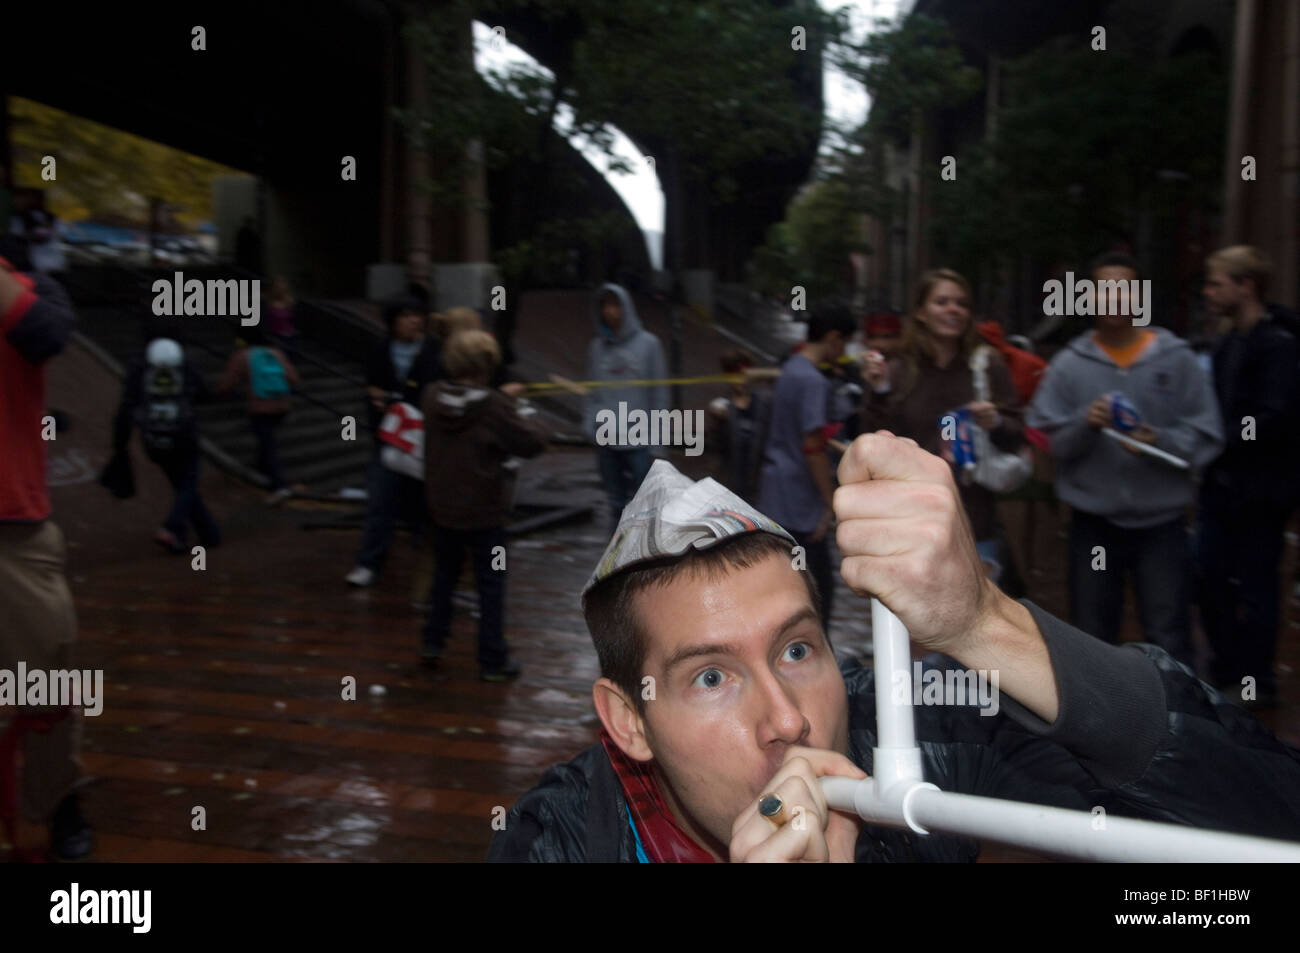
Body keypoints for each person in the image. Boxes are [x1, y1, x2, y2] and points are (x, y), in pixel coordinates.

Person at [486, 436, 1300, 862]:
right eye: (710, 675)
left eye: (798, 650)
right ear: (629, 721)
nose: (788, 720)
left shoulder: (912, 734)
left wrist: (985, 621)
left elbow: (1263, 823)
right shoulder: (560, 840)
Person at [1027, 252, 1223, 667]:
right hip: (1094, 524)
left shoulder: (1177, 358)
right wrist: (1085, 423)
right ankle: (1101, 725)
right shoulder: (1068, 366)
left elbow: (1208, 434)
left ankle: (1178, 723)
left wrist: (1160, 440)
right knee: (1093, 631)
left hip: (1163, 524)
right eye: (1103, 289)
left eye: (1125, 289)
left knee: (1168, 630)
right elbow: (1048, 442)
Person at [0, 255, 91, 860]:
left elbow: (47, 335)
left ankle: (61, 802)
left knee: (51, 680)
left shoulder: (34, 287)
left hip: (16, 530)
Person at [860, 270, 1028, 596]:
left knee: (979, 632)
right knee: (924, 638)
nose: (953, 309)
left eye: (961, 304)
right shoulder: (899, 370)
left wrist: (995, 422)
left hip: (975, 521)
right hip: (913, 524)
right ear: (921, 312)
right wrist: (878, 390)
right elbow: (876, 443)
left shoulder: (986, 365)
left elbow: (1016, 431)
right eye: (942, 302)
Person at [1198, 246, 1299, 708]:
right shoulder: (1227, 341)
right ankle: (1228, 670)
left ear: (1247, 286)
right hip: (1221, 486)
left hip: (1262, 491)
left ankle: (1255, 681)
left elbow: (1274, 415)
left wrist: (1222, 439)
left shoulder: (1278, 344)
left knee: (1256, 586)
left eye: (1217, 282)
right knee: (1208, 578)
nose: (1208, 291)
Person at [421, 330, 549, 681]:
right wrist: (520, 409)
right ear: (486, 366)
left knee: (444, 575)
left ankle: (433, 640)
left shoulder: (431, 397)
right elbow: (532, 443)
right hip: (484, 513)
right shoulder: (494, 406)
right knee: (491, 585)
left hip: (443, 509)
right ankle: (492, 659)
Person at [759, 301, 856, 629]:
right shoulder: (815, 381)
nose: (842, 352)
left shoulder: (791, 369)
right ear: (833, 338)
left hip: (776, 494)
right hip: (800, 501)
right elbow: (812, 446)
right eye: (844, 343)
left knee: (782, 591)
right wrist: (830, 503)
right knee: (817, 599)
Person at [345, 297, 442, 587]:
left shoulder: (434, 349)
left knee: (426, 503)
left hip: (425, 439)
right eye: (406, 316)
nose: (414, 321)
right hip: (389, 436)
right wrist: (376, 398)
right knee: (380, 498)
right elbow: (370, 385)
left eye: (417, 315)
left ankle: (432, 563)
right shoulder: (380, 349)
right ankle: (369, 561)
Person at [113, 337, 222, 551]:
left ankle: (206, 533)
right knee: (188, 482)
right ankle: (172, 528)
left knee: (182, 485)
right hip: (183, 435)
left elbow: (126, 407)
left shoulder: (140, 370)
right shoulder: (184, 368)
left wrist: (120, 444)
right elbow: (203, 394)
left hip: (153, 439)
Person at [583, 283, 667, 529]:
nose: (610, 311)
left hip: (639, 440)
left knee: (644, 505)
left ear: (626, 307)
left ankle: (643, 558)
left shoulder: (649, 344)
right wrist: (590, 425)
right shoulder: (596, 348)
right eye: (605, 305)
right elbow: (592, 391)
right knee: (615, 503)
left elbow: (659, 393)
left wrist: (657, 444)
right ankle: (616, 557)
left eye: (615, 304)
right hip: (606, 438)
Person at [217, 324, 300, 505]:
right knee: (266, 440)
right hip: (282, 404)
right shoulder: (275, 353)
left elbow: (226, 384)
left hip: (260, 406)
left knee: (267, 442)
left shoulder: (242, 356)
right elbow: (294, 378)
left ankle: (279, 486)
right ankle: (262, 471)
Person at [706, 349, 772, 505]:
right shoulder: (721, 405)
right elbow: (715, 446)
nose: (740, 382)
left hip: (756, 486)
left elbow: (780, 376)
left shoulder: (763, 402)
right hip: (728, 484)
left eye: (744, 375)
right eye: (735, 376)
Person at [264, 275, 300, 361]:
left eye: (282, 287)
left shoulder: (290, 302)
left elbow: (296, 320)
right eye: (277, 287)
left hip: (291, 336)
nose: (280, 289)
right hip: (276, 337)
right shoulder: (267, 303)